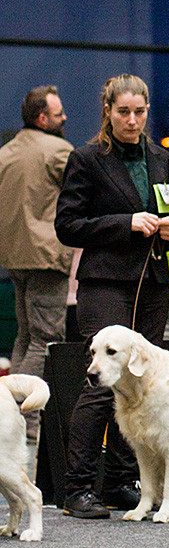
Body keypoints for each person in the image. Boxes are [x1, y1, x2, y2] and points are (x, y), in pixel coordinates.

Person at [55, 74, 169, 517]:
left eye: (140, 112)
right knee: (100, 384)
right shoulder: (87, 158)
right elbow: (67, 226)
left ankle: (120, 482)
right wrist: (125, 222)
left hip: (152, 283)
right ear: (108, 111)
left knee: (142, 386)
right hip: (105, 285)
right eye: (124, 112)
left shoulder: (160, 157)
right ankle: (77, 489)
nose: (132, 121)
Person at [0, 85, 74, 481]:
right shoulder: (56, 151)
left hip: (14, 255)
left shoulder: (6, 151)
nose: (65, 119)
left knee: (26, 336)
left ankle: (10, 410)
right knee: (46, 338)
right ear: (43, 118)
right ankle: (23, 417)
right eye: (59, 114)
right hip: (46, 254)